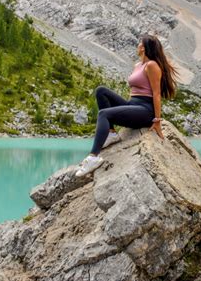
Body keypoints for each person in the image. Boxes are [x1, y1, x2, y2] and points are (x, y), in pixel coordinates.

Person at [76, 34, 178, 177]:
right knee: (101, 91)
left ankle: (93, 157)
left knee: (103, 114)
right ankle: (111, 133)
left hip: (146, 110)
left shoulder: (152, 65)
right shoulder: (138, 65)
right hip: (134, 105)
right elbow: (135, 90)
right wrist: (125, 109)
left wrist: (157, 121)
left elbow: (156, 94)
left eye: (139, 44)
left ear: (143, 47)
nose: (137, 46)